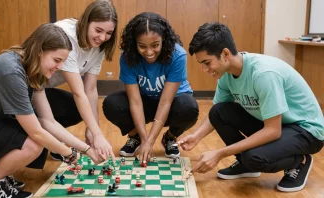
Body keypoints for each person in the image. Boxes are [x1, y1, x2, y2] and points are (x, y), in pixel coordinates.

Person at [181, 22, 324, 192]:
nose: (205, 69)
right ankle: (246, 165)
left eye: (207, 62)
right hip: (278, 124)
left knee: (253, 157)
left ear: (225, 54)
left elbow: (273, 131)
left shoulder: (263, 74)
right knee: (219, 112)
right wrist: (196, 136)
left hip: (307, 131)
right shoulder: (226, 76)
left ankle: (299, 161)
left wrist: (220, 153)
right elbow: (216, 114)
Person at [0, 23, 104, 198]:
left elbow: (48, 121)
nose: (59, 66)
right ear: (40, 50)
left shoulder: (33, 71)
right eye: (57, 60)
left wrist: (86, 149)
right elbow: (37, 132)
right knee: (34, 143)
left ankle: (0, 175)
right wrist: (70, 153)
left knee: (35, 137)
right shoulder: (11, 71)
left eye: (63, 61)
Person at [102, 12, 199, 163]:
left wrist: (151, 141)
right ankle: (135, 137)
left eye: (155, 45)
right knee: (112, 103)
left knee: (189, 107)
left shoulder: (177, 55)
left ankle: (170, 137)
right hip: (144, 102)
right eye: (142, 46)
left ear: (164, 40)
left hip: (172, 104)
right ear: (134, 43)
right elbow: (135, 101)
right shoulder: (127, 57)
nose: (149, 52)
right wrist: (144, 138)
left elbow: (165, 102)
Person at [46, 0, 118, 161]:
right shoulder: (66, 36)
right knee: (70, 107)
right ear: (86, 22)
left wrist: (92, 130)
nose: (102, 37)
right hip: (28, 87)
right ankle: (51, 142)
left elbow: (91, 89)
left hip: (44, 89)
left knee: (77, 110)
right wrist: (97, 135)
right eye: (98, 30)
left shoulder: (99, 46)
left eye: (108, 33)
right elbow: (78, 93)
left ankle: (55, 141)